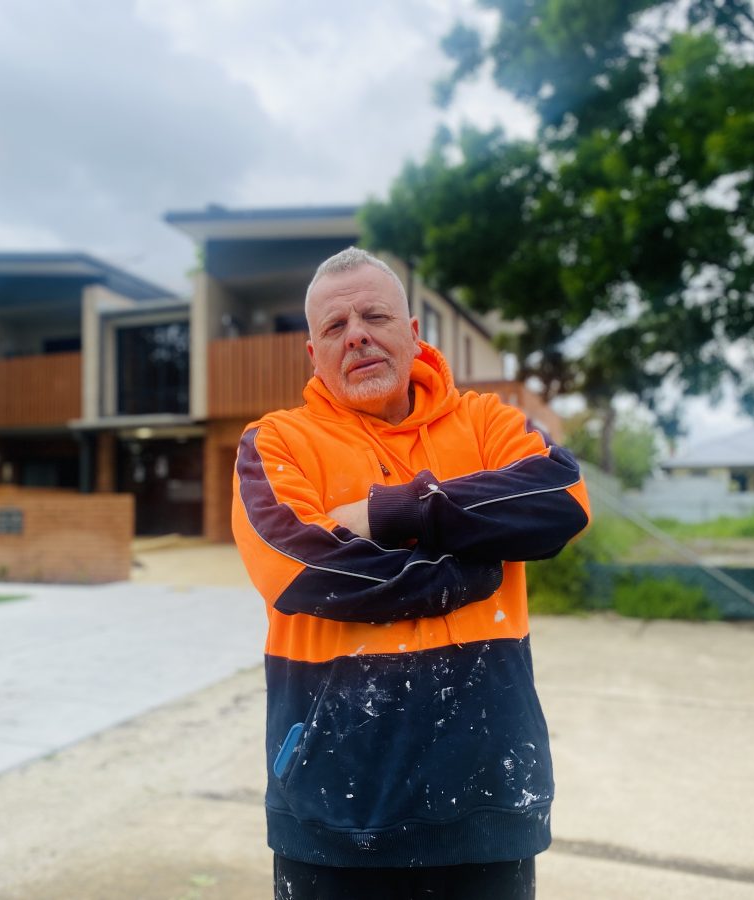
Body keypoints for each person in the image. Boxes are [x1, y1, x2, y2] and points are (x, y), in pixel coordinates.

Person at [231, 247, 591, 900]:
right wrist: (467, 572)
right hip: (331, 815)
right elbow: (303, 571)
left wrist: (385, 510)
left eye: (374, 316)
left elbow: (560, 500)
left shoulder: (488, 423)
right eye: (335, 327)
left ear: (413, 333)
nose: (358, 335)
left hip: (489, 803)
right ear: (313, 354)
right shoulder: (276, 442)